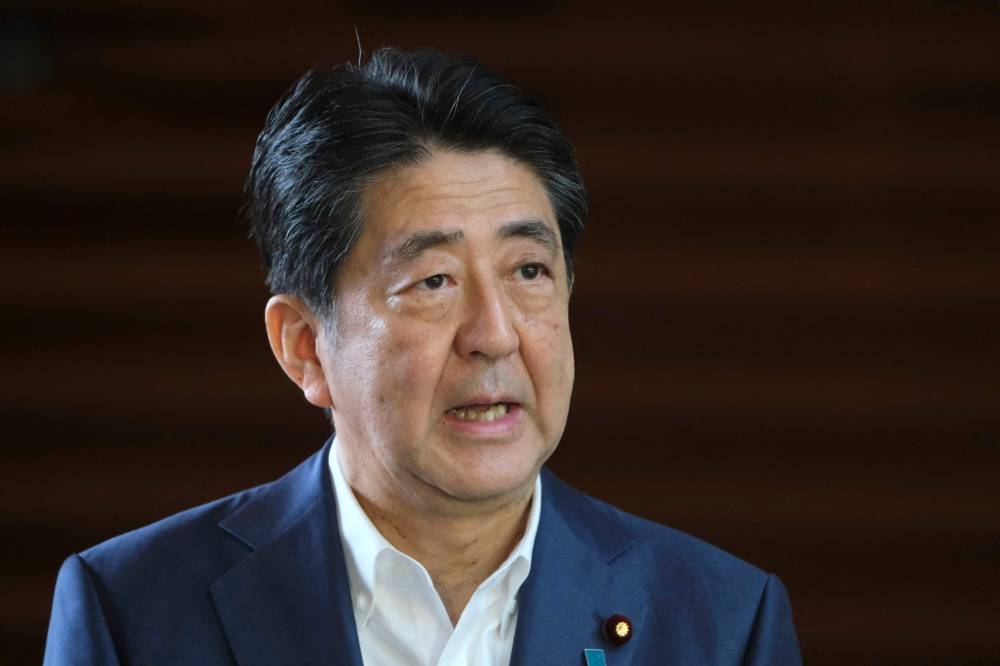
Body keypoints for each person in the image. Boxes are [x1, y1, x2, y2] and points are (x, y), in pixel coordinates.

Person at [44, 48, 802, 665]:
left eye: (528, 272)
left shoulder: (721, 622)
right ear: (304, 347)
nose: (495, 333)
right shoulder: (133, 613)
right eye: (434, 281)